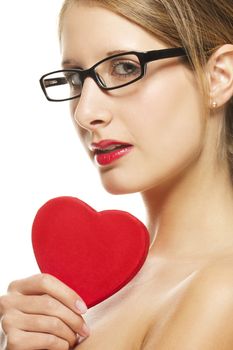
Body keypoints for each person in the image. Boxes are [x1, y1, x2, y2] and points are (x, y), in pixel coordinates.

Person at [1, 0, 233, 349]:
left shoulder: (222, 291)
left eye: (124, 67)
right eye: (76, 78)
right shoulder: (102, 289)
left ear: (218, 77)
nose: (85, 111)